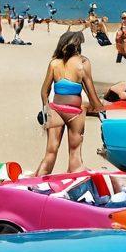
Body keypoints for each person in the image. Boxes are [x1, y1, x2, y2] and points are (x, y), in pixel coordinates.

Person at [36, 30, 105, 175]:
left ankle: (37, 181)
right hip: (75, 113)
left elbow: (44, 92)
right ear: (78, 46)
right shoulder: (83, 63)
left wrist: (45, 111)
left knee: (50, 152)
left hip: (55, 111)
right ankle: (74, 174)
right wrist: (101, 111)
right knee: (75, 152)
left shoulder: (54, 64)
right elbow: (90, 92)